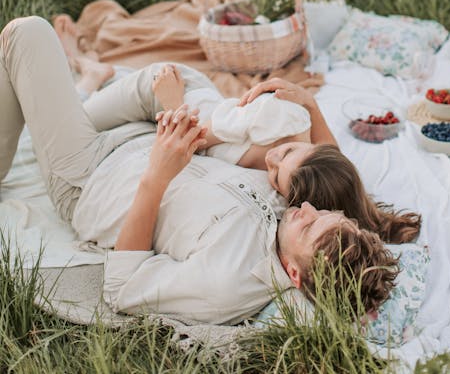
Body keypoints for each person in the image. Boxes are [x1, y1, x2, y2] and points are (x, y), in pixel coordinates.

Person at [1, 16, 399, 324]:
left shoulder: (226, 283)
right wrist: (310, 106)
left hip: (89, 174)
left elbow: (121, 285)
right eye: (327, 214)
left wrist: (156, 176)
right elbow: (330, 166)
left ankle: (80, 94)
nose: (307, 210)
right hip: (149, 132)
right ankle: (80, 92)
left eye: (310, 226)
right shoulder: (297, 221)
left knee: (27, 34)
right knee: (183, 81)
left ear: (294, 274)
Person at [61, 48, 422, 245]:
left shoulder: (310, 185)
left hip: (181, 116)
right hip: (181, 102)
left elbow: (325, 161)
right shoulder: (283, 126)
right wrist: (171, 101)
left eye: (276, 177)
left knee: (88, 126)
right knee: (74, 124)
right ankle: (88, 81)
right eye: (287, 155)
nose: (272, 161)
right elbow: (197, 138)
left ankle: (92, 79)